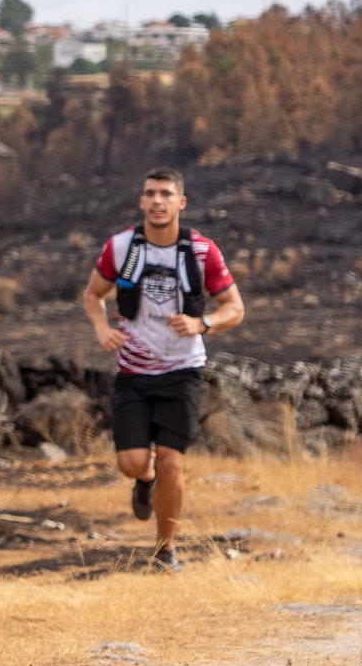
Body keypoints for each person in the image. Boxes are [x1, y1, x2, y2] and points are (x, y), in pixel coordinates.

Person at [82, 167, 244, 572]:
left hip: (182, 371)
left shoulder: (203, 251)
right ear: (142, 201)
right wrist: (102, 328)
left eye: (166, 194)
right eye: (150, 193)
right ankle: (144, 477)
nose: (157, 200)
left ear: (180, 202)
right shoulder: (120, 247)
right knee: (132, 462)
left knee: (173, 460)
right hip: (133, 374)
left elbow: (234, 309)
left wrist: (202, 324)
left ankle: (164, 549)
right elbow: (93, 295)